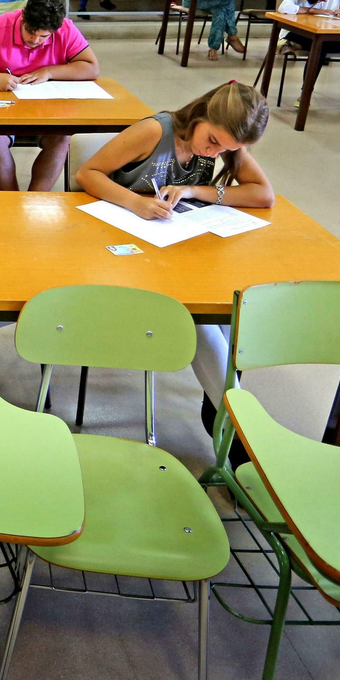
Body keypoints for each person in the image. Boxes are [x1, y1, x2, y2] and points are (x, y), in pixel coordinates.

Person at [76, 80, 273, 433]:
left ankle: (222, 414)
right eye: (212, 142)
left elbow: (263, 195)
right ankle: (238, 429)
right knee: (204, 321)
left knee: (231, 313)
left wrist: (195, 190)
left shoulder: (224, 142)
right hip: (116, 252)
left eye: (226, 149)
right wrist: (135, 202)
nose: (214, 154)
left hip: (170, 252)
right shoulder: (155, 131)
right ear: (202, 115)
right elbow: (87, 173)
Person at [0, 0, 100, 191]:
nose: (35, 41)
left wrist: (50, 72)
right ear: (23, 17)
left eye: (43, 37)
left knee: (62, 137)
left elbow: (91, 67)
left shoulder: (66, 29)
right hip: (2, 107)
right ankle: (13, 197)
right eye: (30, 32)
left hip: (48, 108)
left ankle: (34, 198)